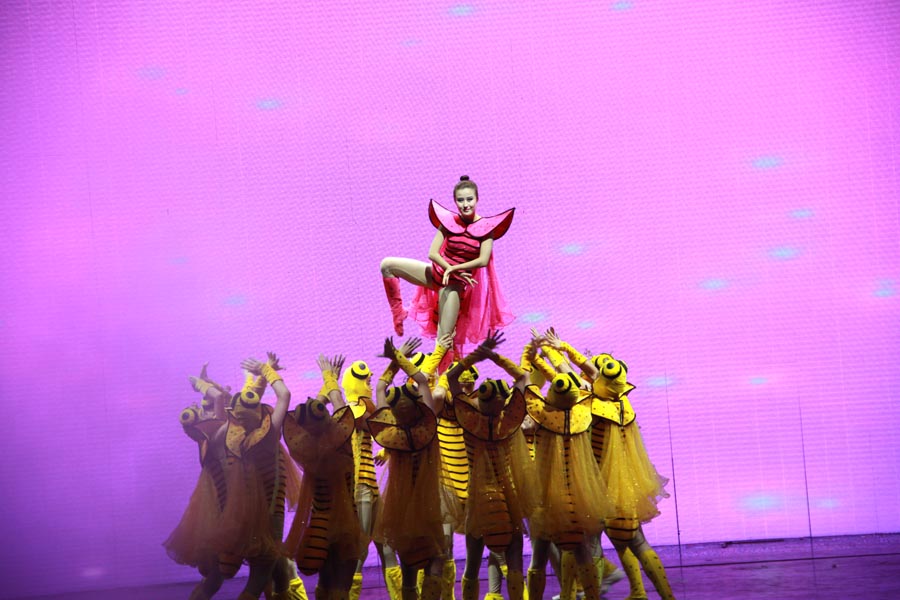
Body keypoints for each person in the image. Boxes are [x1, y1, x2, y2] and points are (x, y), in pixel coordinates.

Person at [379, 176, 515, 359]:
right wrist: (449, 267)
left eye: (469, 199)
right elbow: (433, 253)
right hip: (437, 273)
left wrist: (454, 270)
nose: (465, 204)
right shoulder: (449, 222)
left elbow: (483, 260)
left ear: (477, 199)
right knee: (387, 265)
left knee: (443, 341)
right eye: (460, 200)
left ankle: (445, 375)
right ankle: (398, 313)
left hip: (453, 286)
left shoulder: (485, 228)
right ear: (455, 201)